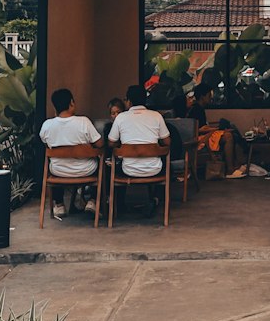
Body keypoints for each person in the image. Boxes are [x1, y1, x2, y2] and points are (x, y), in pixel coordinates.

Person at [39, 87, 102, 220]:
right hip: (85, 170)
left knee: (54, 164)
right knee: (103, 165)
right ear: (72, 103)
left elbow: (46, 144)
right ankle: (92, 200)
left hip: (58, 172)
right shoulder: (84, 122)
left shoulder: (47, 125)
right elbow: (100, 144)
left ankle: (59, 204)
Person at [107, 85, 171, 202]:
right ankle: (156, 199)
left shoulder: (120, 118)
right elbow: (167, 142)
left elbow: (111, 143)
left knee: (112, 165)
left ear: (129, 101)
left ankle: (119, 205)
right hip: (154, 169)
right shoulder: (156, 116)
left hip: (128, 169)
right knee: (167, 163)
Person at [186, 84, 243, 177]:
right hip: (200, 136)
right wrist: (217, 129)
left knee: (231, 130)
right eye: (209, 96)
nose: (211, 98)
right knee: (228, 136)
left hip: (205, 133)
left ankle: (236, 163)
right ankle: (230, 170)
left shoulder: (200, 108)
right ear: (202, 97)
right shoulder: (196, 109)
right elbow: (198, 128)